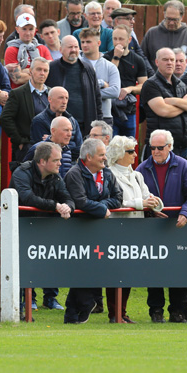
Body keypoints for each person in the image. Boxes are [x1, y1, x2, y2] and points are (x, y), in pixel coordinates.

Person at [137, 129, 187, 323]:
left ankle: (178, 310)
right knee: (154, 269)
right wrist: (150, 211)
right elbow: (138, 198)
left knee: (179, 269)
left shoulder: (183, 166)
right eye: (152, 148)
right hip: (152, 227)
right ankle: (156, 310)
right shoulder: (141, 168)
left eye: (160, 148)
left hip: (177, 226)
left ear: (170, 147)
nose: (155, 151)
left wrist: (186, 214)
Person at [63, 138, 123, 323]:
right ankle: (80, 308)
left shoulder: (107, 173)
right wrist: (101, 209)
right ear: (88, 157)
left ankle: (73, 314)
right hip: (79, 230)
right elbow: (80, 201)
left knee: (92, 269)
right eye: (101, 155)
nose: (105, 158)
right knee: (82, 271)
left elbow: (118, 197)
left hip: (100, 231)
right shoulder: (75, 174)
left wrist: (102, 206)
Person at [10, 142, 74, 311]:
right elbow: (28, 198)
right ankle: (27, 299)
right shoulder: (21, 173)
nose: (60, 163)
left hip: (46, 226)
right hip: (21, 226)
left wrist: (68, 207)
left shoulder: (56, 177)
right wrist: (55, 206)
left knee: (52, 261)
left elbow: (68, 197)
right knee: (24, 264)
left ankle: (50, 298)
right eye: (56, 160)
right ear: (42, 161)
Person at [107, 135, 163, 323]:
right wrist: (141, 203)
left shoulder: (137, 175)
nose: (135, 154)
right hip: (117, 229)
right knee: (116, 273)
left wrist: (155, 202)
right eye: (130, 151)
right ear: (119, 153)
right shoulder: (109, 173)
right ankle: (115, 314)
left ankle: (122, 312)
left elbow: (147, 196)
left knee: (129, 273)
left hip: (135, 230)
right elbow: (114, 202)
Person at [140, 48, 187, 158]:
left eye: (172, 60)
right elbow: (163, 111)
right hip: (160, 148)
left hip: (183, 147)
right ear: (157, 62)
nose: (170, 63)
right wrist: (185, 105)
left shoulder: (181, 84)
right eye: (165, 59)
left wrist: (173, 101)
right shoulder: (150, 84)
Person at [104, 25, 147, 137]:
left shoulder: (138, 60)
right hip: (110, 109)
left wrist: (130, 89)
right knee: (111, 146)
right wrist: (116, 57)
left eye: (121, 39)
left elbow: (144, 86)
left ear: (129, 40)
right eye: (115, 39)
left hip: (129, 110)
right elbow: (106, 79)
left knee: (129, 146)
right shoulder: (106, 58)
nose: (117, 42)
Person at [140, 1, 187, 69]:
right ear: (164, 15)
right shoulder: (152, 33)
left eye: (175, 20)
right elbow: (142, 57)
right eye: (168, 19)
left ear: (182, 17)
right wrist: (151, 74)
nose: (171, 23)